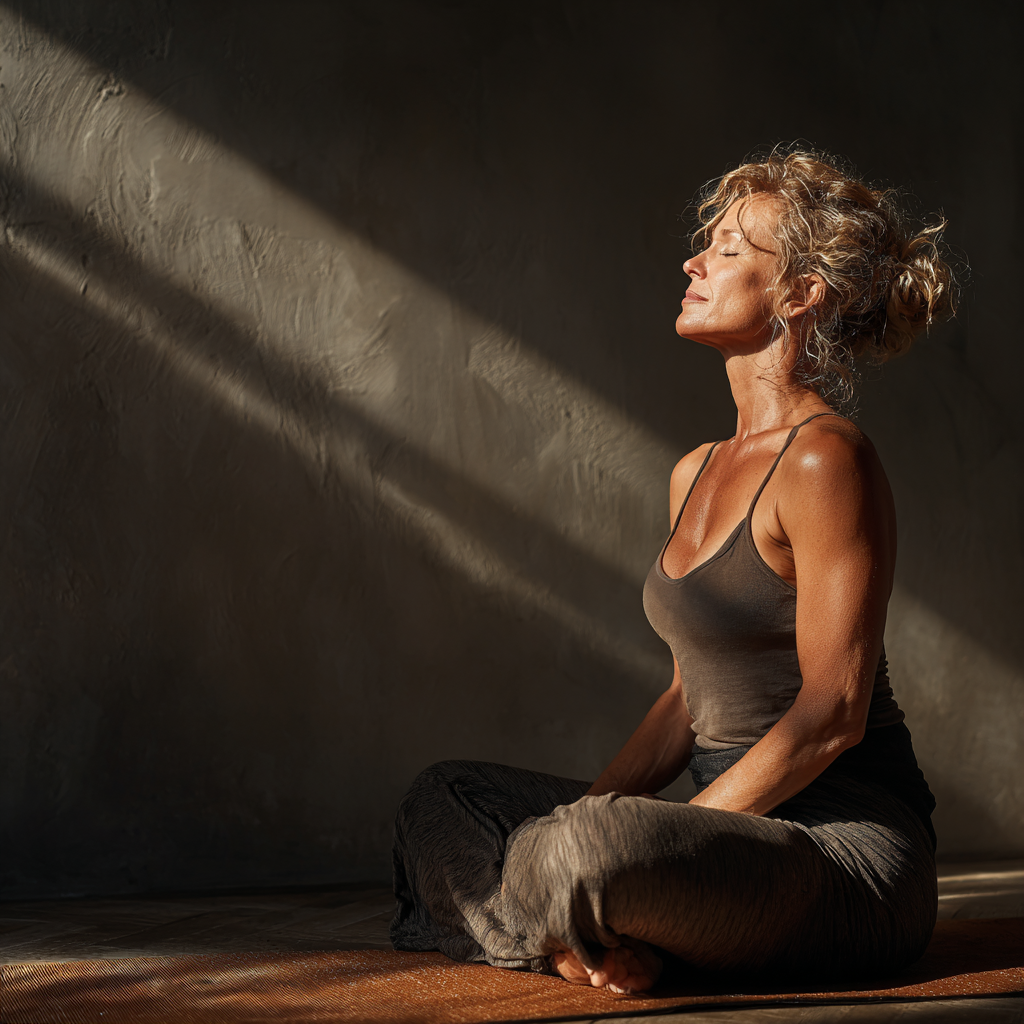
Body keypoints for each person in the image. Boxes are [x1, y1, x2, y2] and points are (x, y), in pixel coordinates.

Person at [389, 149, 957, 994]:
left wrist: (663, 836)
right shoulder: (694, 470)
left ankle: (563, 918)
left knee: (586, 851)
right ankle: (583, 934)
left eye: (729, 249)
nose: (694, 261)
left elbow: (834, 713)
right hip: (718, 840)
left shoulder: (826, 459)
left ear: (800, 294)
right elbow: (691, 695)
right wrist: (588, 814)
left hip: (844, 854)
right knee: (444, 798)